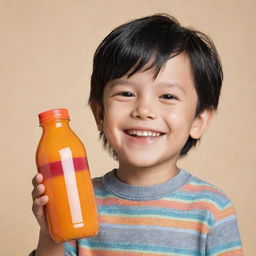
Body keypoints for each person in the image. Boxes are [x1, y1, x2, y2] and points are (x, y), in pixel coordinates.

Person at [30, 14, 243, 256]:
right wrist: (51, 234)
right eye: (126, 93)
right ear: (99, 113)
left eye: (168, 96)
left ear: (198, 121)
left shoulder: (212, 210)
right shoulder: (78, 201)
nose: (144, 110)